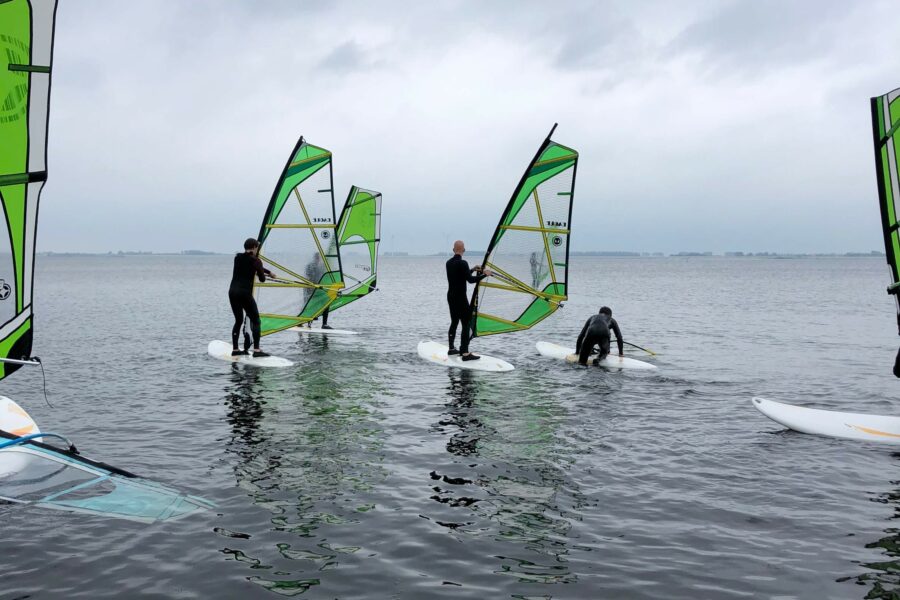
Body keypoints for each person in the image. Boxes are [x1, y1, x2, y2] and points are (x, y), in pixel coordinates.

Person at [229, 238, 275, 357]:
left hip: (233, 292)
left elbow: (250, 265)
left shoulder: (237, 258)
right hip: (244, 293)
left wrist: (268, 272)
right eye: (257, 247)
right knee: (256, 321)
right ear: (254, 247)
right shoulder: (256, 261)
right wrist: (265, 274)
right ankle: (257, 350)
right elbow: (262, 279)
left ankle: (235, 349)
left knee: (238, 320)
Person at [446, 240, 491, 361]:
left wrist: (472, 269)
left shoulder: (448, 263)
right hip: (460, 298)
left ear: (453, 250)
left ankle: (451, 348)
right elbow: (470, 280)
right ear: (464, 250)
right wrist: (485, 274)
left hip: (451, 297)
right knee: (466, 323)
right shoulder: (463, 263)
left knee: (454, 322)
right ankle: (465, 353)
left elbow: (461, 275)